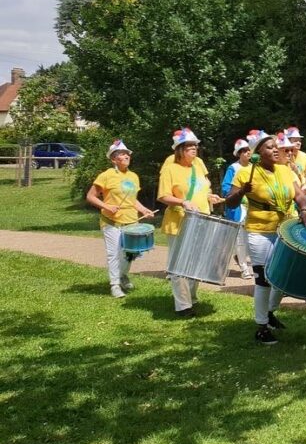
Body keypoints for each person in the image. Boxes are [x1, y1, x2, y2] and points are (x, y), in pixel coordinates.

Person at [224, 130, 306, 344]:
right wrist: (242, 191)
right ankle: (261, 327)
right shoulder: (245, 173)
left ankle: (270, 312)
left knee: (284, 277)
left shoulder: (284, 171)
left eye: (276, 146)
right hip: (259, 230)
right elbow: (230, 202)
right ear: (257, 153)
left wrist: (304, 210)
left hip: (285, 230)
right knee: (263, 279)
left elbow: (299, 194)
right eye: (269, 147)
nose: (275, 149)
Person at [157, 128, 224, 317]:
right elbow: (163, 195)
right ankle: (183, 305)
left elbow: (202, 188)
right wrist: (182, 201)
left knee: (196, 263)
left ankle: (192, 298)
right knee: (179, 264)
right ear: (179, 149)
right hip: (180, 221)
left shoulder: (199, 164)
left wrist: (210, 197)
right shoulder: (170, 168)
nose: (194, 149)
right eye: (189, 146)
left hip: (202, 219)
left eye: (195, 145)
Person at [85, 139, 155, 298]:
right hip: (112, 222)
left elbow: (132, 199)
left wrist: (143, 209)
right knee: (115, 253)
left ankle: (122, 275)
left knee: (131, 253)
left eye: (127, 154)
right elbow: (90, 196)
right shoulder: (106, 176)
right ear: (113, 159)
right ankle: (115, 285)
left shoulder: (134, 176)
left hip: (131, 221)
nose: (125, 156)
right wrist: (106, 206)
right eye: (121, 154)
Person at [221, 138, 254, 280]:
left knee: (250, 238)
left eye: (248, 150)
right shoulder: (233, 168)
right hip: (239, 207)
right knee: (240, 237)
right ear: (239, 154)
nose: (247, 153)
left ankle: (240, 258)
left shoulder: (255, 167)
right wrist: (241, 193)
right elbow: (226, 188)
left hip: (253, 207)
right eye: (244, 151)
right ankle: (244, 267)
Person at [285, 126, 306, 194]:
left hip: (303, 193)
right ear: (287, 141)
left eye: (299, 140)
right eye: (295, 140)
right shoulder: (284, 157)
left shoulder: (305, 156)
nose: (298, 143)